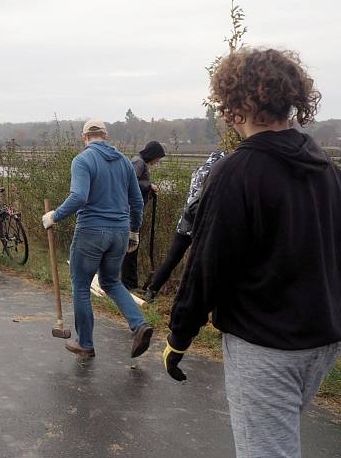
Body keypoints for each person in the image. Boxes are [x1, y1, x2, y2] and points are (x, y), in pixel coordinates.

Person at [164, 48, 341, 458]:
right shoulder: (326, 168)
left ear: (237, 103)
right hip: (323, 340)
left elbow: (207, 265)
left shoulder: (236, 171)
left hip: (266, 345)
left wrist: (179, 336)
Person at [42, 119, 152, 358]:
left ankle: (86, 343)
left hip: (91, 231)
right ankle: (139, 324)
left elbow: (79, 197)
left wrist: (55, 216)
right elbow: (136, 200)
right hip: (120, 233)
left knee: (81, 286)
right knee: (111, 282)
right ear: (106, 135)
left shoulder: (83, 160)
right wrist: (134, 231)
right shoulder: (124, 161)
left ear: (84, 138)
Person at [144, 148, 227, 302]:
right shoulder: (218, 174)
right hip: (202, 223)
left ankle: (152, 290)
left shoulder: (197, 172)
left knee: (172, 257)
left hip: (185, 221)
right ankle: (190, 298)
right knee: (199, 261)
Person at [121, 140, 166, 290]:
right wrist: (149, 186)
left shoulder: (138, 162)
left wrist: (149, 191)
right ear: (153, 154)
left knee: (131, 247)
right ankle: (129, 284)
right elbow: (128, 182)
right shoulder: (138, 162)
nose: (158, 161)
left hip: (133, 212)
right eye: (158, 157)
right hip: (130, 213)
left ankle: (129, 283)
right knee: (131, 248)